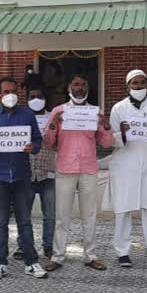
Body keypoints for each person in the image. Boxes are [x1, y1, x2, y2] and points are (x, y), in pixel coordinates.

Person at [0, 77, 47, 280]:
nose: (10, 95)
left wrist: (32, 147)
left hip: (21, 175)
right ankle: (0, 263)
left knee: (24, 221)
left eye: (13, 92)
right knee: (0, 222)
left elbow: (37, 140)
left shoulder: (27, 115)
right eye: (6, 92)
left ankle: (31, 262)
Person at [43, 75, 114, 271]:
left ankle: (90, 255)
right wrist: (53, 124)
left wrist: (106, 126)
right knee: (62, 216)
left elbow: (106, 143)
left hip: (88, 169)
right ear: (69, 88)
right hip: (65, 168)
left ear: (88, 88)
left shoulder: (95, 113)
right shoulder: (59, 111)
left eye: (83, 84)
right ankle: (58, 256)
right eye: (76, 84)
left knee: (90, 215)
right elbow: (48, 142)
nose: (79, 88)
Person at [109, 69, 147, 268]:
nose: (139, 87)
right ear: (128, 86)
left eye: (142, 83)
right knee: (123, 208)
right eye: (134, 83)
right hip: (126, 164)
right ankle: (122, 251)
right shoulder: (119, 108)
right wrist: (123, 134)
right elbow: (112, 139)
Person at [20, 83, 56, 260]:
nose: (36, 100)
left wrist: (54, 130)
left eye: (39, 97)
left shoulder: (52, 118)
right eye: (32, 97)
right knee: (24, 214)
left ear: (45, 99)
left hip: (47, 172)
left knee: (49, 215)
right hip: (26, 173)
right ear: (26, 100)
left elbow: (58, 143)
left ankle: (48, 246)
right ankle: (23, 245)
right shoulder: (21, 118)